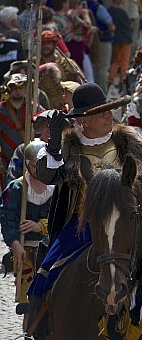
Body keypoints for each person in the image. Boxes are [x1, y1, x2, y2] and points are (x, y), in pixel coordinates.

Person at [27, 83, 142, 333]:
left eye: (109, 111)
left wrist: (139, 186)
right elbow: (46, 175)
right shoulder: (69, 148)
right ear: (84, 121)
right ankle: (37, 326)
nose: (109, 116)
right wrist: (53, 144)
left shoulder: (127, 141)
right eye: (101, 113)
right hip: (82, 225)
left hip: (127, 221)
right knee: (47, 270)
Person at [0, 140, 54, 328]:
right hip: (26, 252)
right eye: (34, 166)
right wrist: (15, 244)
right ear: (28, 165)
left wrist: (41, 226)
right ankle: (28, 333)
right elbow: (7, 219)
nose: (38, 170)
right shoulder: (16, 189)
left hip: (51, 251)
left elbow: (63, 218)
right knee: (29, 304)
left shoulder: (57, 187)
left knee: (53, 298)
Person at [7, 110, 54, 183]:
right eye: (47, 126)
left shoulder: (63, 152)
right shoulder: (23, 150)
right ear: (41, 127)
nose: (50, 130)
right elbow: (13, 177)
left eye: (55, 127)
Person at [107, 0, 133, 89]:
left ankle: (110, 79)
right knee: (125, 60)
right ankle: (123, 80)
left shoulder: (109, 10)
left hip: (115, 39)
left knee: (116, 60)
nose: (124, 0)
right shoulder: (122, 12)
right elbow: (129, 25)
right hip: (125, 39)